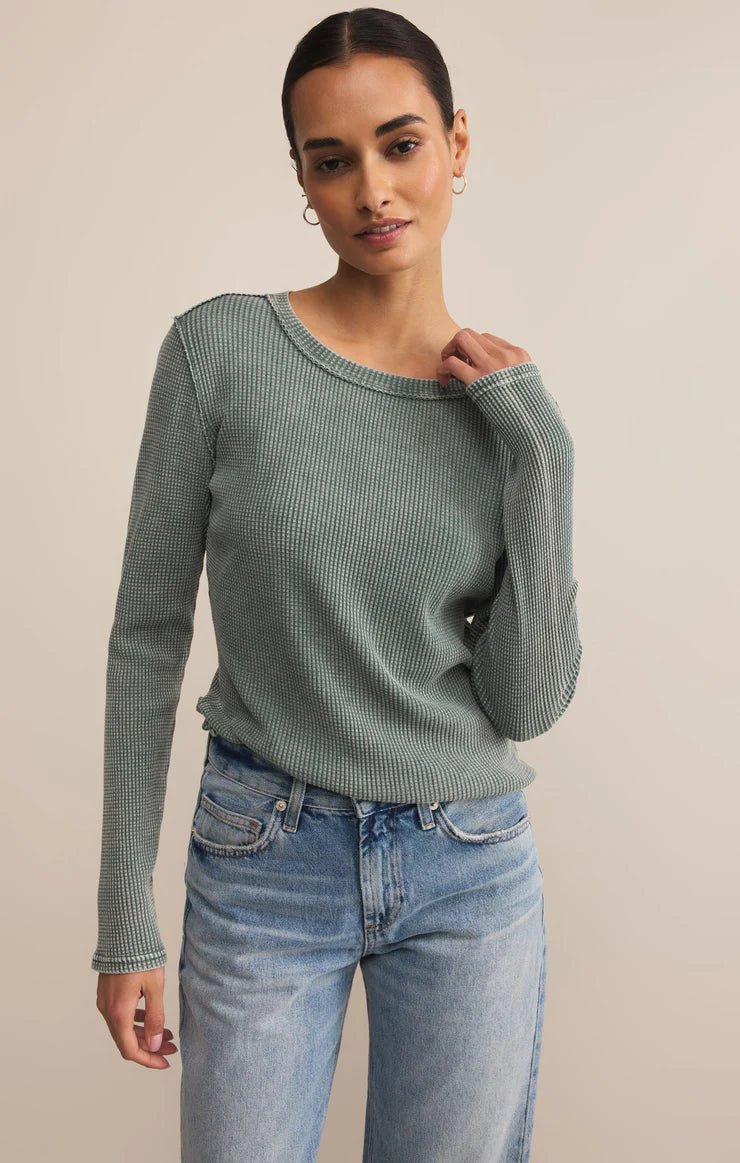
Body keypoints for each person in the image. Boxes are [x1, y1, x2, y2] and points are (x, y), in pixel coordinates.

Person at [93, 8, 583, 1161]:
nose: (371, 189)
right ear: (302, 180)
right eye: (331, 160)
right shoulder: (219, 352)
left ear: (455, 144)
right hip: (264, 855)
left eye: (400, 144)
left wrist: (543, 459)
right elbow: (147, 634)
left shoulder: (502, 412)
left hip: (467, 865)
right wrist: (123, 920)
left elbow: (525, 700)